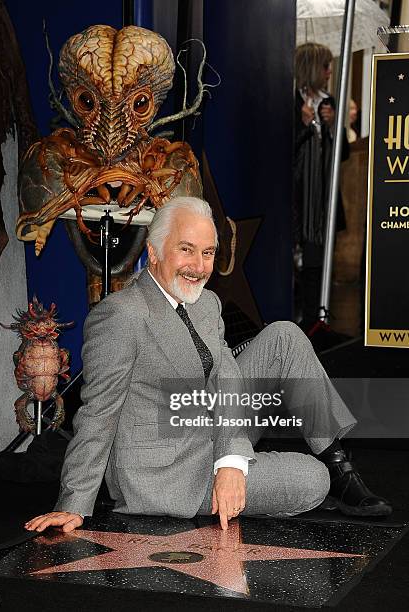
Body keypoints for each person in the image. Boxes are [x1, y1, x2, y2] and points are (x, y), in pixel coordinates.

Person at [25, 197, 391, 535]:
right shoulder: (122, 315)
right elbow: (98, 412)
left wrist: (230, 459)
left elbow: (226, 374)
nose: (198, 267)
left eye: (207, 253)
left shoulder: (206, 302)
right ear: (153, 252)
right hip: (171, 473)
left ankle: (339, 463)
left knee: (284, 336)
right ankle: (292, 473)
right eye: (186, 250)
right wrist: (73, 503)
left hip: (211, 424)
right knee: (312, 479)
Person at [293, 43, 349, 333]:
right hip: (297, 200)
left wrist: (333, 127)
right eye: (326, 66)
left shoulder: (330, 102)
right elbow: (282, 151)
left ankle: (316, 319)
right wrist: (303, 126)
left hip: (323, 201)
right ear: (313, 68)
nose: (329, 72)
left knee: (318, 261)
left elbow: (345, 154)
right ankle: (297, 317)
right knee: (295, 261)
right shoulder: (291, 99)